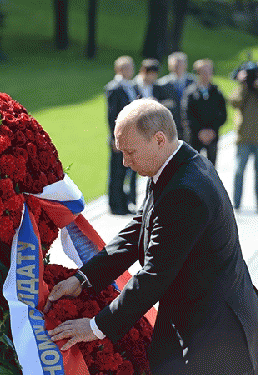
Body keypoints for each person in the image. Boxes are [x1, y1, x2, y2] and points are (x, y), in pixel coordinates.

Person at [45, 99, 258, 374]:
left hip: (216, 336)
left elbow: (155, 274)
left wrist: (95, 327)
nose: (125, 162)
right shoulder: (171, 164)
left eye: (130, 153)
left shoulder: (186, 190)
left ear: (159, 139)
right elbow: (141, 228)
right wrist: (82, 279)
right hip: (197, 317)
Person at [105, 55, 137, 215]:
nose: (131, 70)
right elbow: (112, 116)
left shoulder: (130, 86)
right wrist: (115, 137)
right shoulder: (114, 87)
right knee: (117, 170)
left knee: (126, 170)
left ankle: (124, 202)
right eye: (127, 67)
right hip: (120, 136)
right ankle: (115, 204)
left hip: (131, 135)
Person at [182, 59, 227, 166]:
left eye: (209, 71)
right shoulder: (190, 93)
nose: (207, 74)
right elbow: (187, 115)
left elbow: (222, 114)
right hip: (195, 136)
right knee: (193, 166)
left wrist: (212, 130)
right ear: (198, 73)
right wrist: (200, 131)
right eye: (203, 71)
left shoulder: (217, 93)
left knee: (211, 167)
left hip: (213, 136)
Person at [229, 62, 258, 212]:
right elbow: (234, 102)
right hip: (244, 138)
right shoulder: (243, 89)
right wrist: (243, 84)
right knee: (239, 171)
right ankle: (236, 202)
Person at [157, 51, 195, 141]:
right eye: (175, 65)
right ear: (170, 66)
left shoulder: (194, 82)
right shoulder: (162, 84)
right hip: (170, 127)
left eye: (180, 65)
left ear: (185, 65)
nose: (178, 67)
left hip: (191, 126)